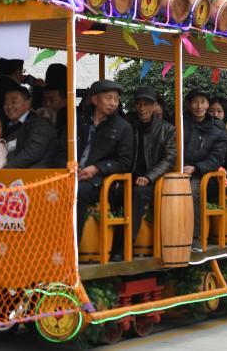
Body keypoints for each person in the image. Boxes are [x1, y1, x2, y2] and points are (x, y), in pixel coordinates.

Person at [75, 80, 134, 254]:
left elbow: (124, 162)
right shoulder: (79, 121)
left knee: (77, 192)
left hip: (103, 180)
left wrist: (96, 168)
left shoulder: (123, 127)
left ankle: (72, 251)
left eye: (116, 99)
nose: (113, 103)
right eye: (109, 98)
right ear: (95, 100)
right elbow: (62, 148)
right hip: (73, 172)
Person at [126, 86, 176, 240]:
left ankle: (128, 242)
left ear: (154, 106)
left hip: (154, 180)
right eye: (139, 104)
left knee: (138, 193)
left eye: (147, 104)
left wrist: (149, 176)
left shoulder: (167, 129)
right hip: (127, 176)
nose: (142, 108)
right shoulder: (127, 125)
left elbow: (170, 158)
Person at [183, 90, 227, 251]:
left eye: (203, 102)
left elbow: (217, 158)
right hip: (179, 169)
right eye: (195, 102)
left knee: (192, 191)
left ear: (208, 105)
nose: (199, 106)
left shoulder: (218, 127)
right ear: (189, 104)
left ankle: (195, 237)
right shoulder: (180, 122)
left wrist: (196, 168)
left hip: (205, 174)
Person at [3, 86, 57, 168]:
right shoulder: (4, 126)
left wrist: (2, 168)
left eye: (14, 102)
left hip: (36, 177)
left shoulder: (40, 124)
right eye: (5, 103)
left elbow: (32, 152)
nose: (9, 106)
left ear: (27, 104)